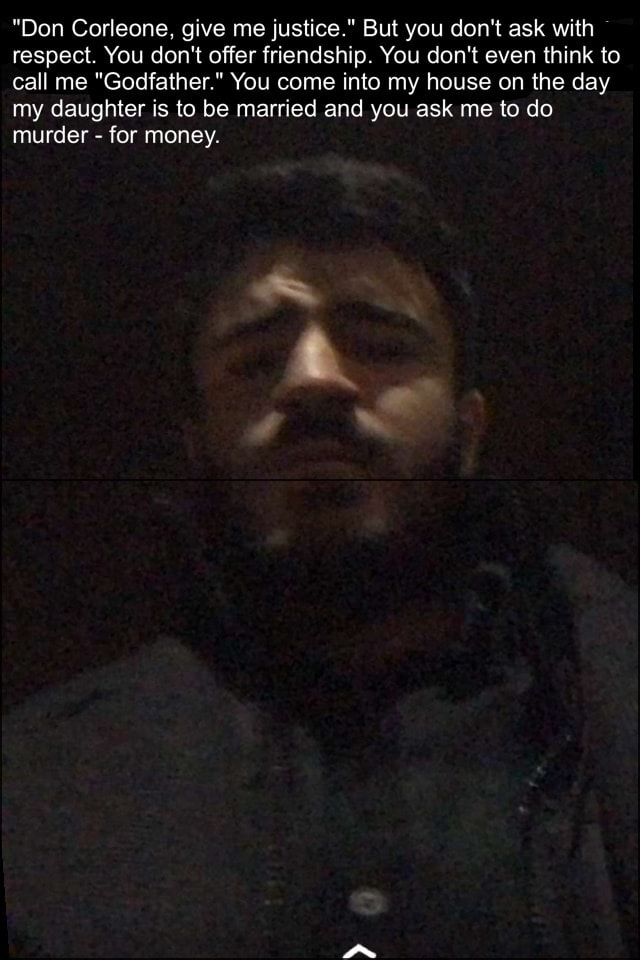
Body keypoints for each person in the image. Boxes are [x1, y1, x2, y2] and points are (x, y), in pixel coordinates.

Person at [3, 156, 637, 959]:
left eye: (379, 344)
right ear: (196, 441)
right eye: (255, 359)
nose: (314, 379)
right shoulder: (41, 782)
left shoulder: (608, 706)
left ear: (469, 431)